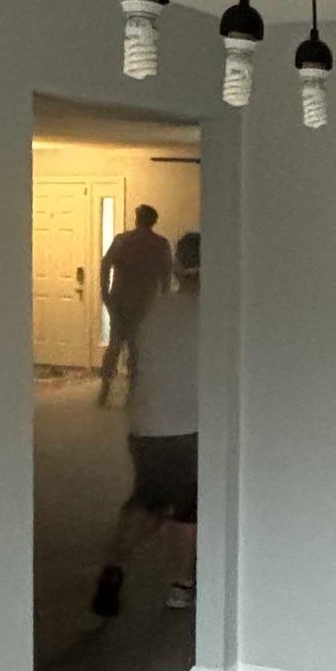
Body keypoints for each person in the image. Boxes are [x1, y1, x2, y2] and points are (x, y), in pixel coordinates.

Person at [91, 228, 201, 617]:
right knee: (187, 511)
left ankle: (113, 567)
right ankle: (180, 585)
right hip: (189, 427)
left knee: (146, 502)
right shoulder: (214, 313)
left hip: (146, 423)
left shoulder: (157, 309)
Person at [96, 203, 172, 406]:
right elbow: (166, 276)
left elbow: (105, 265)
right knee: (137, 346)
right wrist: (163, 301)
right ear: (153, 221)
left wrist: (105, 292)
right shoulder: (160, 244)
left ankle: (105, 390)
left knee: (115, 343)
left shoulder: (122, 241)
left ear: (137, 219)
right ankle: (132, 393)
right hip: (145, 301)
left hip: (120, 298)